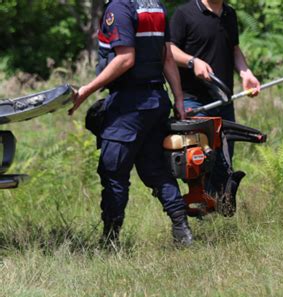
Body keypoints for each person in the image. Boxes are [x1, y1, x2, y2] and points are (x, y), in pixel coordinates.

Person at [69, 0, 193, 246]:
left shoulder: (119, 8)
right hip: (156, 100)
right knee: (155, 169)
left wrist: (86, 91)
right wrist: (179, 98)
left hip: (129, 104)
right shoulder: (155, 5)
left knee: (113, 170)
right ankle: (182, 230)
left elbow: (125, 59)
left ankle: (110, 240)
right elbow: (166, 56)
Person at [170, 0, 260, 196]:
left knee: (223, 161)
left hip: (223, 100)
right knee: (199, 160)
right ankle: (198, 208)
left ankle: (216, 212)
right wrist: (192, 62)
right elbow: (169, 51)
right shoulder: (184, 14)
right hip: (193, 100)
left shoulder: (229, 14)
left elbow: (234, 49)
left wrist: (246, 73)